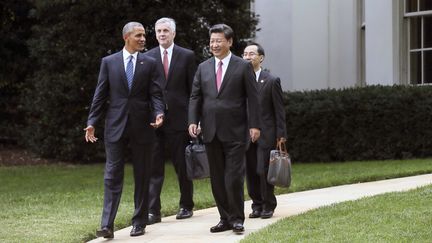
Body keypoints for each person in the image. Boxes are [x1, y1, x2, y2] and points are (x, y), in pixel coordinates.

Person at [84, 21, 165, 238]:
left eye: (143, 36)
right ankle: (106, 225)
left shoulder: (150, 63)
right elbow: (100, 94)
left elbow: (156, 93)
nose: (142, 39)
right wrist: (92, 121)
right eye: (138, 35)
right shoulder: (108, 62)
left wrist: (159, 113)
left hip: (143, 126)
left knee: (142, 173)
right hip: (115, 126)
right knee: (112, 175)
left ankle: (139, 221)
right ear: (126, 37)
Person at [188, 24, 260, 233]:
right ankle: (224, 218)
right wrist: (193, 120)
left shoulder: (242, 66)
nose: (214, 44)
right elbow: (195, 96)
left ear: (229, 42)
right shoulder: (203, 67)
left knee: (234, 176)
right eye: (212, 41)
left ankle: (237, 219)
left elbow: (253, 98)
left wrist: (255, 125)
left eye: (219, 40)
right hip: (210, 130)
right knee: (217, 177)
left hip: (236, 131)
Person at [144, 17, 197, 224]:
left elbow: (194, 91)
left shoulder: (187, 56)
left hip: (179, 120)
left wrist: (195, 119)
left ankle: (186, 205)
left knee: (182, 166)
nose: (162, 34)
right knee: (153, 168)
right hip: (154, 122)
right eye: (158, 31)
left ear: (173, 33)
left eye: (166, 30)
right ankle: (152, 211)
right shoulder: (147, 57)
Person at [243, 42, 287, 219]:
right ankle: (256, 205)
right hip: (245, 135)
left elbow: (279, 110)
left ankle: (268, 204)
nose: (247, 57)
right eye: (245, 54)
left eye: (251, 54)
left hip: (266, 134)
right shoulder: (238, 79)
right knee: (251, 171)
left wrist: (281, 135)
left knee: (264, 170)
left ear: (261, 58)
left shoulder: (271, 80)